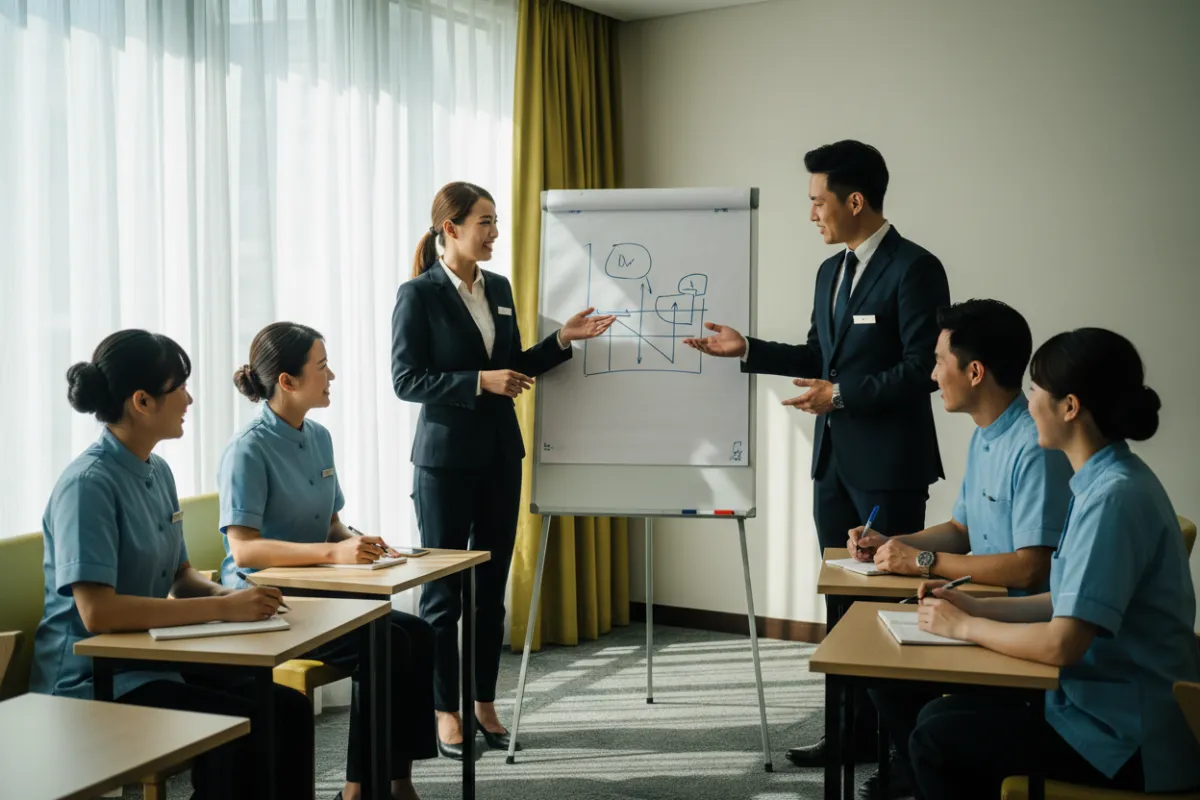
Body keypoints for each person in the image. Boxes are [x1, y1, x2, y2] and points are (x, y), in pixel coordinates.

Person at [684, 140, 950, 767]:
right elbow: (817, 358)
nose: (811, 214)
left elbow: (924, 371)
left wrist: (843, 396)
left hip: (889, 468)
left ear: (854, 200)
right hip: (831, 465)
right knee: (840, 602)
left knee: (886, 604)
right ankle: (850, 734)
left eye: (816, 200)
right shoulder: (831, 271)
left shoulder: (916, 268)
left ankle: (904, 754)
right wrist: (748, 350)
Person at [908, 328, 1200, 798]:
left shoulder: (1113, 499)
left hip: (1131, 740)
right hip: (1098, 708)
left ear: (1070, 406)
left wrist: (964, 628)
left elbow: (1062, 644)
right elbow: (1062, 601)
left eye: (1036, 391)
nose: (1029, 404)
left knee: (937, 741)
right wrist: (971, 607)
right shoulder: (1102, 480)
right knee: (937, 717)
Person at [29, 330, 314, 800]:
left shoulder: (155, 469)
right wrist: (224, 610)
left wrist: (236, 598)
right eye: (179, 386)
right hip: (93, 679)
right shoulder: (88, 485)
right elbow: (99, 614)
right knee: (240, 726)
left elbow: (180, 577)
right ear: (141, 401)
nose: (190, 398)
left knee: (287, 708)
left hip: (150, 660)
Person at [391, 181, 614, 759]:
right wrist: (476, 383)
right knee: (443, 593)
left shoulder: (503, 290)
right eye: (484, 222)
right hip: (442, 463)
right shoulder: (417, 295)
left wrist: (562, 339)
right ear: (451, 229)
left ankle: (483, 702)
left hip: (499, 456)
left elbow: (511, 365)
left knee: (490, 592)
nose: (493, 233)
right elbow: (405, 380)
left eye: (495, 222)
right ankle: (445, 712)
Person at [849, 299, 1073, 799]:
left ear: (974, 372)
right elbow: (960, 528)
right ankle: (920, 776)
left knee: (919, 705)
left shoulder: (1033, 447)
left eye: (938, 363)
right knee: (880, 670)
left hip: (1019, 623)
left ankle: (934, 775)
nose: (931, 375)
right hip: (988, 607)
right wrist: (895, 543)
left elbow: (1031, 568)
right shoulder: (985, 435)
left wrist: (923, 561)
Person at [219, 322, 436, 800]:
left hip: (318, 589)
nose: (332, 374)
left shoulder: (317, 436)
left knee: (416, 634)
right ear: (288, 382)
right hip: (268, 600)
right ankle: (357, 790)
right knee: (386, 645)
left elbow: (332, 523)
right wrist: (333, 552)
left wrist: (363, 544)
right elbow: (245, 551)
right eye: (321, 367)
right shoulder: (248, 449)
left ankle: (398, 781)